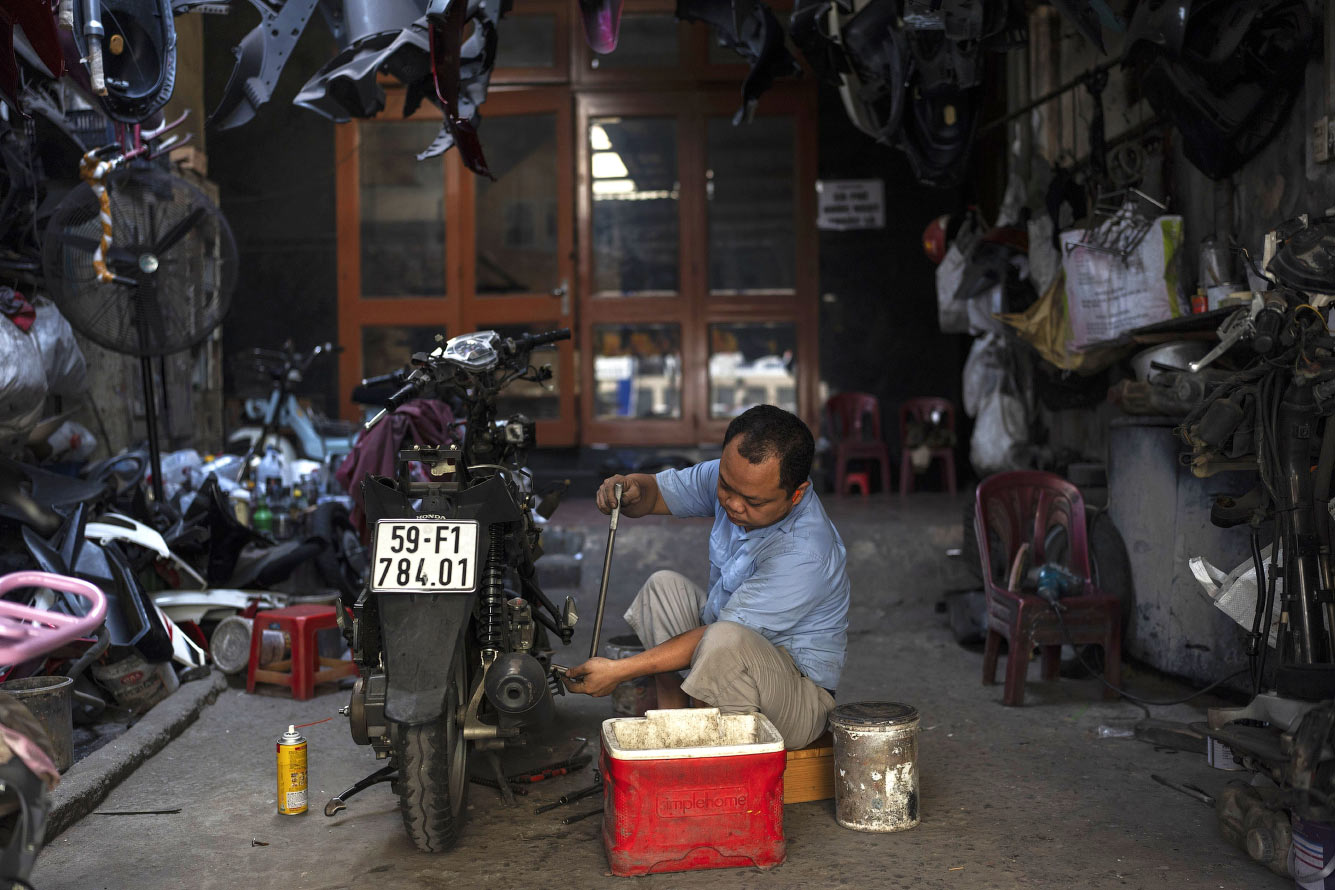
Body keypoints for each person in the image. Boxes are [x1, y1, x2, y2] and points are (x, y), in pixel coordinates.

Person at [564, 404, 850, 748]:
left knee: (723, 640)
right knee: (663, 588)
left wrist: (618, 671)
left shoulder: (805, 553)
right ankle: (674, 722)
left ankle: (713, 752)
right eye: (727, 487)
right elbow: (654, 494)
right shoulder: (734, 477)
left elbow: (720, 639)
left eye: (753, 501)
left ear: (797, 493)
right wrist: (630, 488)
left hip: (797, 700)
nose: (733, 504)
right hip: (728, 653)